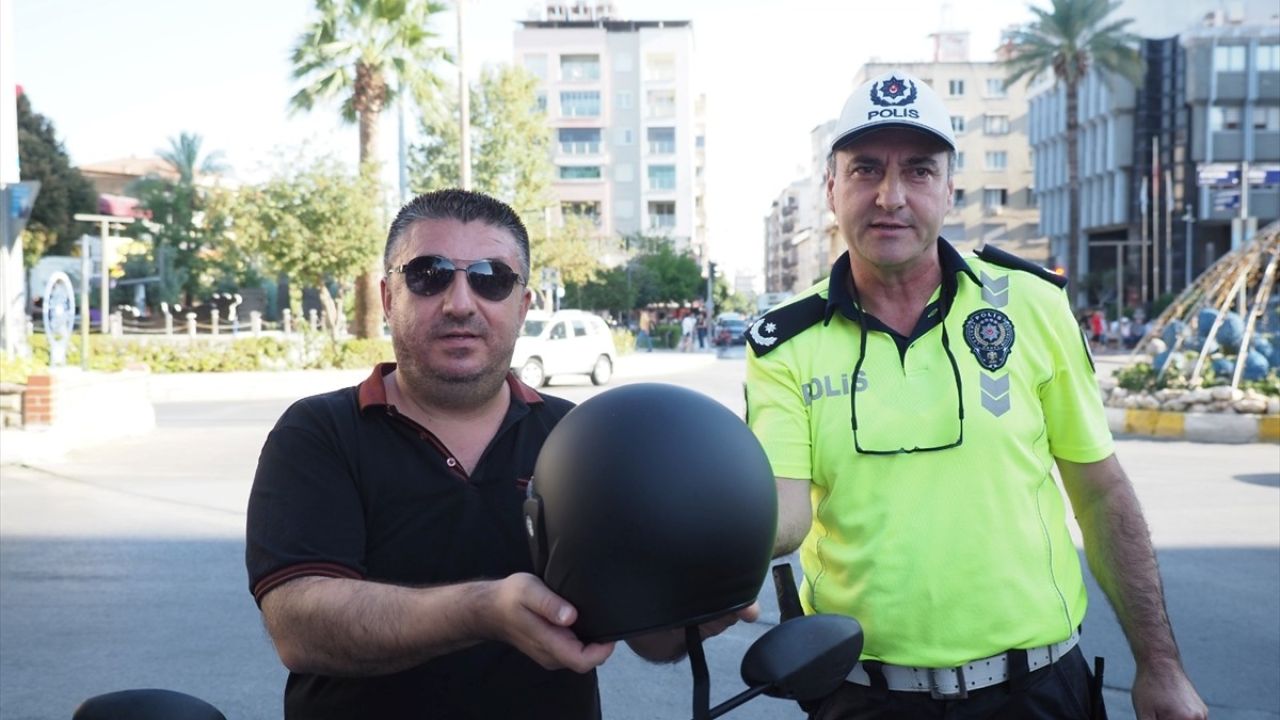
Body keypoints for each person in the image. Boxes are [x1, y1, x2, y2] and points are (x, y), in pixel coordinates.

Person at [744, 72, 1206, 719]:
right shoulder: (783, 341)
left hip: (1039, 692)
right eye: (865, 169)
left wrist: (1160, 665)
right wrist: (699, 546)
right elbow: (784, 512)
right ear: (830, 188)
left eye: (920, 171)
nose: (891, 196)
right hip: (864, 700)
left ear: (950, 188)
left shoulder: (1033, 305)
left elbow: (1100, 493)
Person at [246, 189, 748, 719]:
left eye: (491, 279)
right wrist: (482, 610)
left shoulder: (580, 437)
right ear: (389, 298)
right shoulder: (319, 432)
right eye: (428, 273)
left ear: (523, 304)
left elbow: (647, 636)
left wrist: (696, 609)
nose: (460, 302)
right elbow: (299, 627)